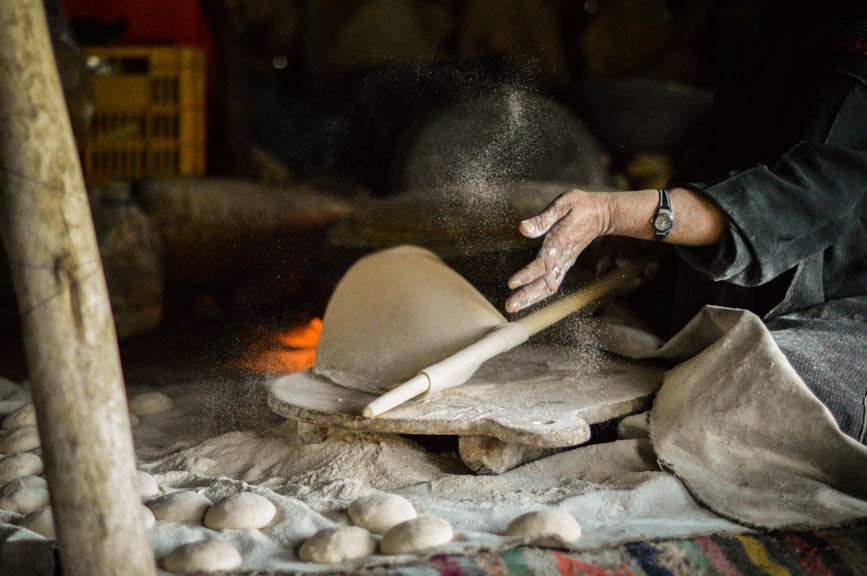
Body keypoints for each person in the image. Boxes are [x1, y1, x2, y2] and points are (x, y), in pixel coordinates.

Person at [507, 3, 867, 443]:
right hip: (731, 302)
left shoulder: (854, 39)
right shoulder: (781, 32)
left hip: (842, 321)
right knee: (572, 338)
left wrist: (614, 213)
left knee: (745, 395)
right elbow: (723, 163)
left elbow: (801, 197)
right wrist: (656, 239)